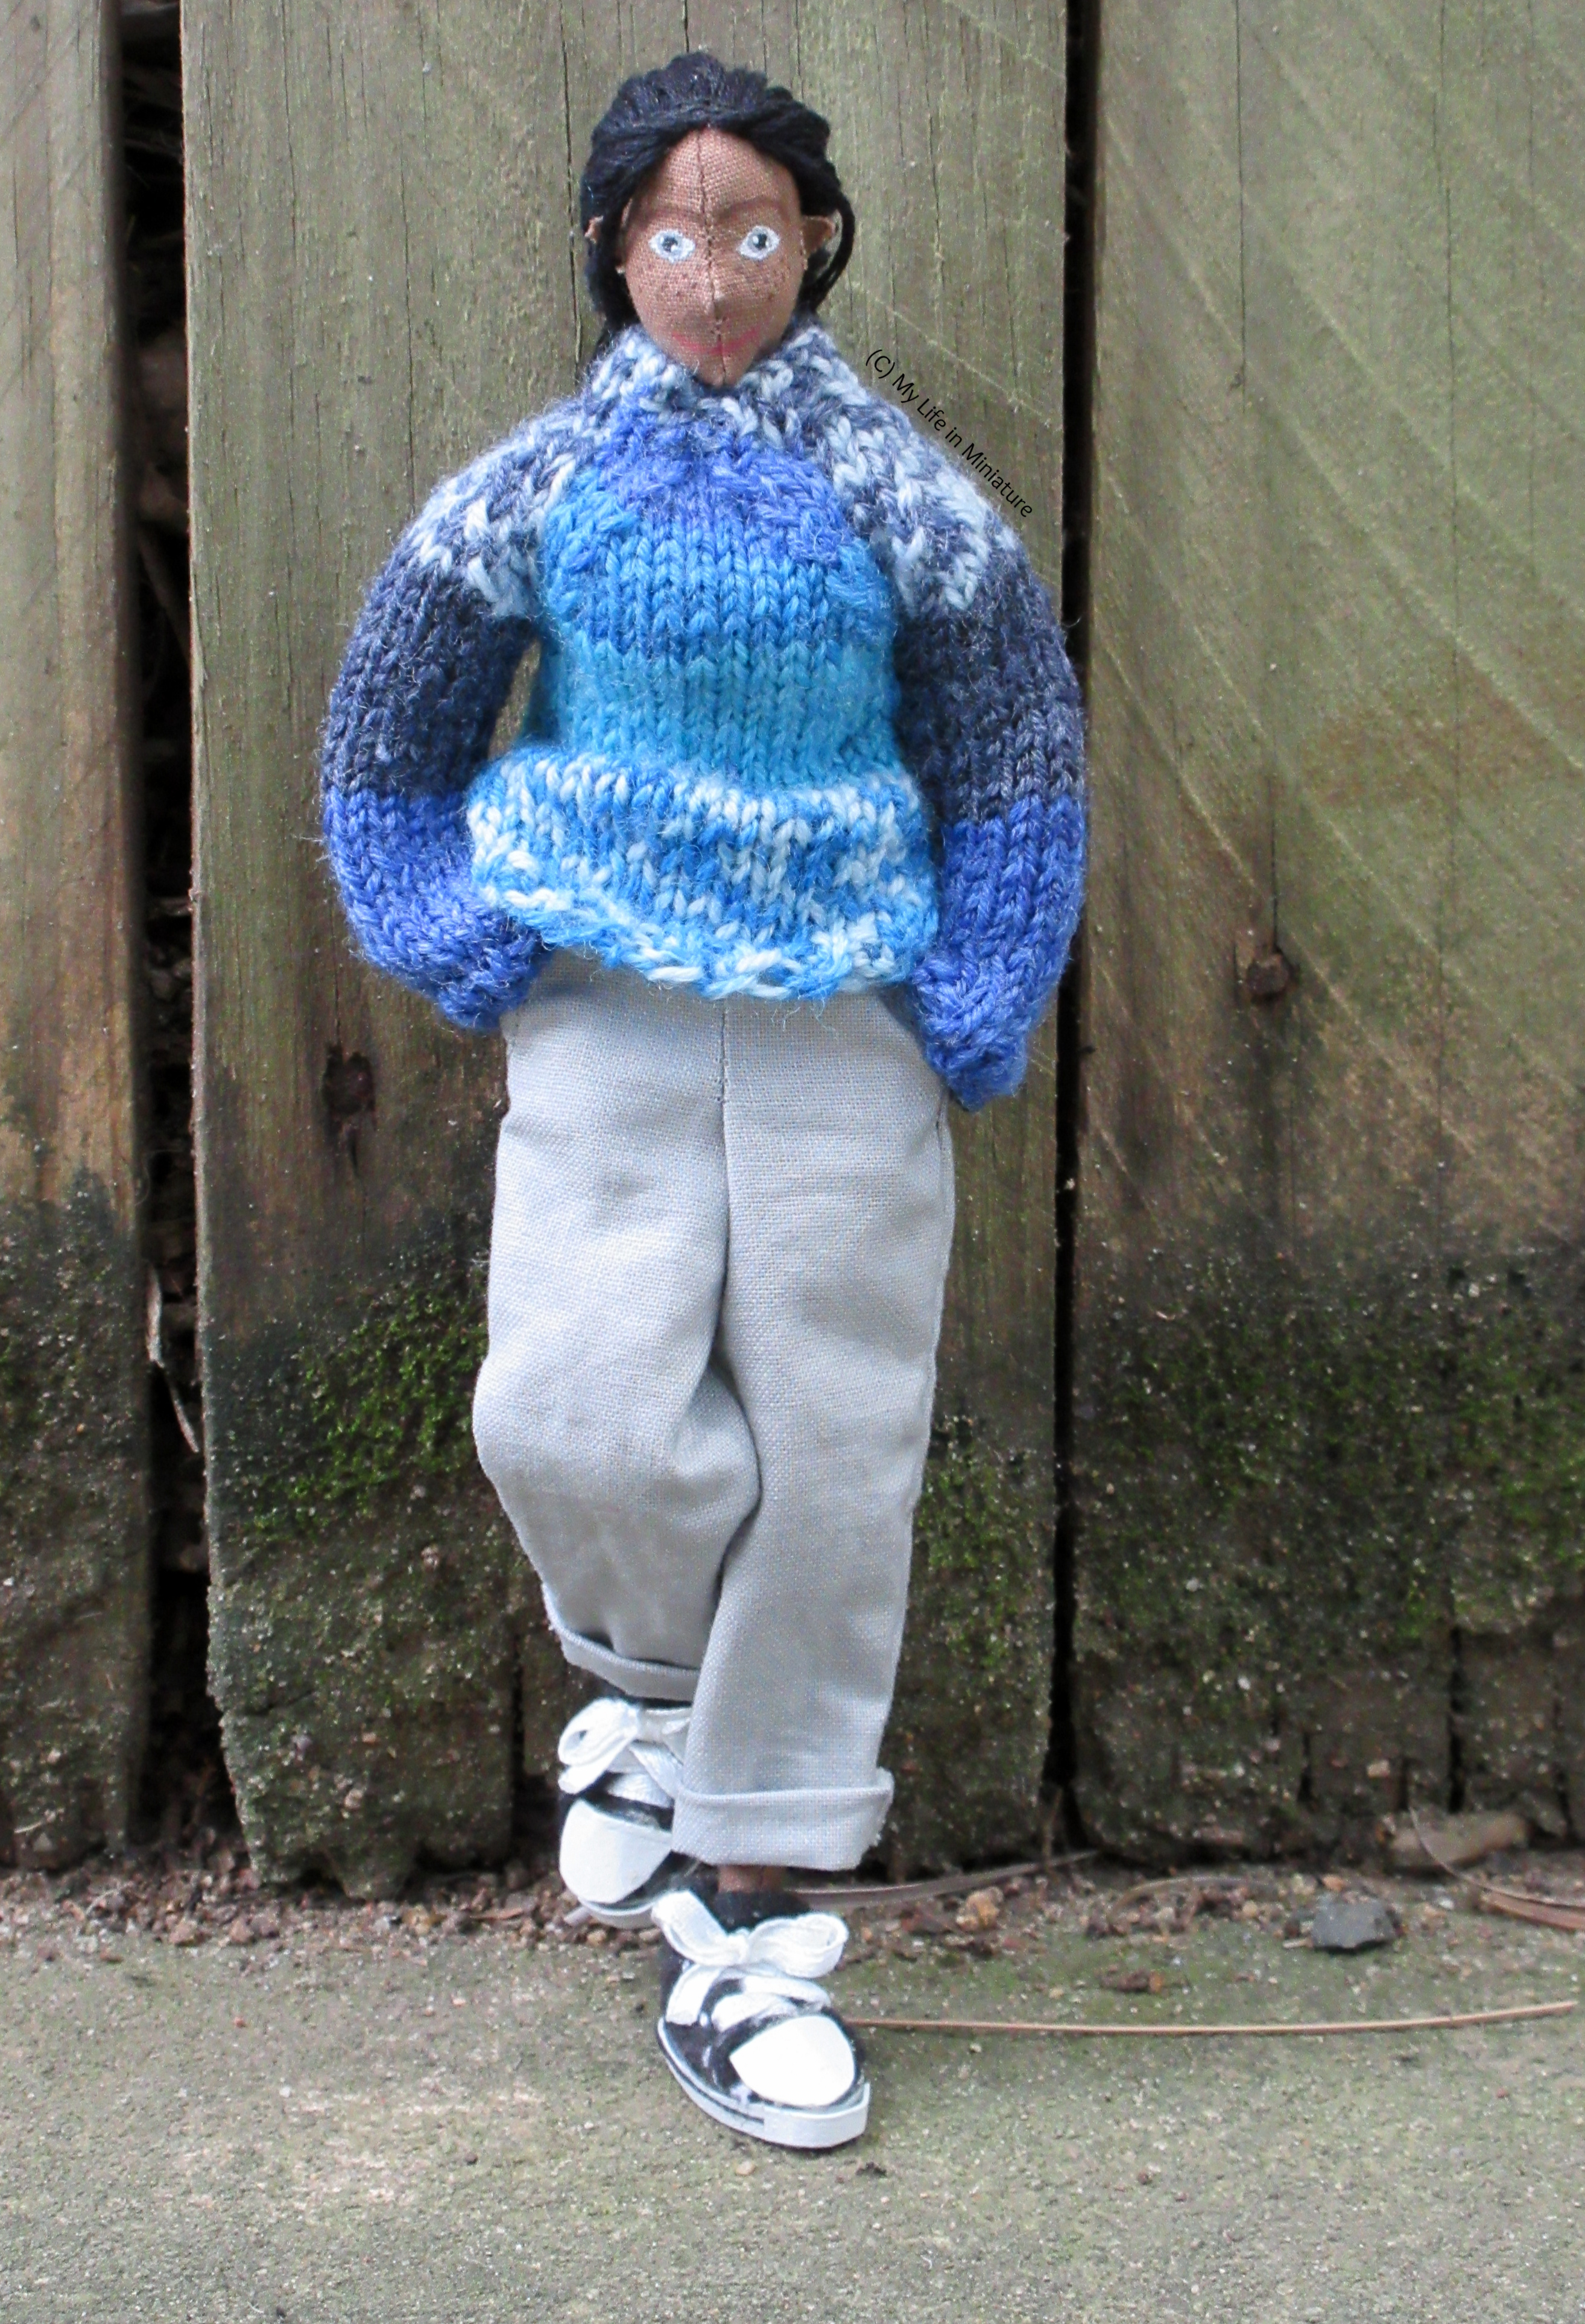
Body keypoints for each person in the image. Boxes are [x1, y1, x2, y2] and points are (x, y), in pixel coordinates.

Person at [321, 49, 1086, 2150]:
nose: (714, 273)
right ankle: (646, 1696)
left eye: (754, 231)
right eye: (674, 234)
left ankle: (753, 1924)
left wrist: (979, 983)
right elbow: (389, 725)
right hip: (607, 998)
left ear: (815, 241)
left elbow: (1011, 741)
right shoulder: (534, 488)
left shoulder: (904, 494)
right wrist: (450, 927)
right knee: (570, 1401)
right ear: (613, 251)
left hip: (847, 1009)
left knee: (839, 1454)